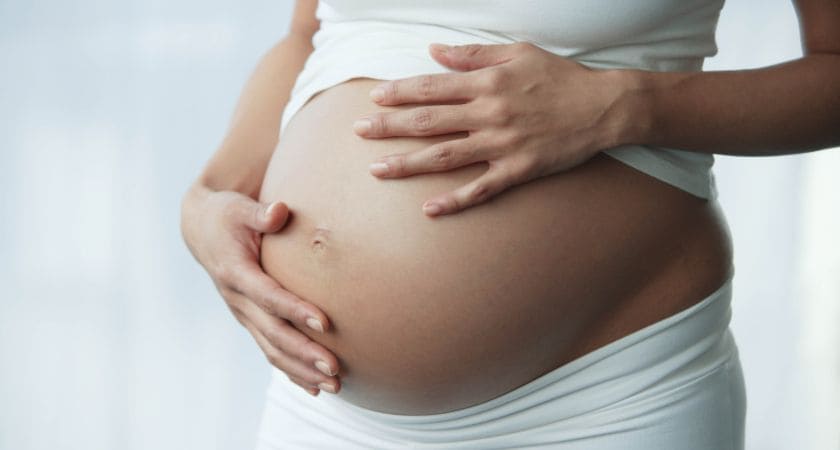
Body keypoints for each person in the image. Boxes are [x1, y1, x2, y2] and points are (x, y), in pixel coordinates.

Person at [180, 0, 840, 448]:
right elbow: (309, 32)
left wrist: (624, 105)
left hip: (607, 393)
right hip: (326, 406)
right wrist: (209, 196)